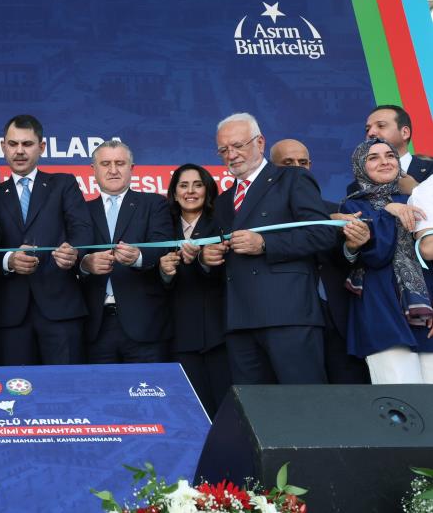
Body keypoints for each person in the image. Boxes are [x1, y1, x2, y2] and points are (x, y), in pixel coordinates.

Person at [200, 113, 337, 384]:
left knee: (304, 401)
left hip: (289, 315)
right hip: (239, 320)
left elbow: (323, 233)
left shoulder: (293, 178)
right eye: (224, 150)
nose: (231, 155)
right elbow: (221, 253)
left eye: (238, 145)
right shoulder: (223, 201)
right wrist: (207, 258)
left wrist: (265, 244)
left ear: (260, 142)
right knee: (254, 406)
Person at [0, 115, 91, 365]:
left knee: (65, 385)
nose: (19, 151)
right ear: (3, 147)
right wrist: (8, 260)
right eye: (13, 144)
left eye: (27, 144)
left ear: (42, 147)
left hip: (60, 310)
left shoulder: (63, 184)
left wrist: (73, 252)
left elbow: (83, 230)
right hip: (10, 315)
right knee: (15, 386)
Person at [270, 139, 370, 384]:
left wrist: (351, 246)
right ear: (271, 170)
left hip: (336, 318)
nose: (297, 168)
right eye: (288, 163)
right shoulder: (264, 218)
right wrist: (324, 221)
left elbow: (345, 261)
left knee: (349, 393)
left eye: (302, 162)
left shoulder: (336, 209)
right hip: (289, 321)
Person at [343, 138, 433, 383]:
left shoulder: (419, 199)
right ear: (360, 166)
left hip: (425, 307)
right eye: (373, 157)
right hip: (381, 307)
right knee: (401, 392)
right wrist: (386, 212)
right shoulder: (353, 206)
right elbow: (376, 255)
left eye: (390, 156)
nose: (384, 161)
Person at [80, 141, 174, 363]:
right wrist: (85, 264)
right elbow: (69, 251)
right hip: (94, 326)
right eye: (105, 164)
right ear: (93, 169)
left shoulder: (154, 203)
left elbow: (165, 244)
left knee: (149, 386)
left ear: (131, 168)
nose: (113, 170)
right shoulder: (80, 209)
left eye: (120, 163)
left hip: (145, 324)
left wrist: (139, 257)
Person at [158, 164, 230, 417]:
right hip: (177, 332)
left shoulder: (222, 221)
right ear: (174, 193)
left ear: (207, 190)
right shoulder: (161, 225)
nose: (190, 191)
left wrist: (203, 260)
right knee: (188, 413)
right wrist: (164, 271)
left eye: (197, 185)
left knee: (225, 412)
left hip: (219, 332)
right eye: (184, 185)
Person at [347, 105, 433, 194]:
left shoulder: (430, 170)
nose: (371, 133)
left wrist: (415, 190)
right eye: (367, 129)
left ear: (404, 133)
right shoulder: (357, 186)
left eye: (381, 126)